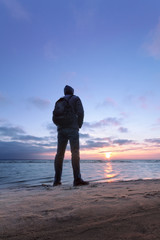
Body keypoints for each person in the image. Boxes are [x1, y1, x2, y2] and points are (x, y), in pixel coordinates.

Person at [53, 85, 89, 187]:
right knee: (75, 153)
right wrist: (79, 125)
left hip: (61, 130)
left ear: (65, 92)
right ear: (72, 91)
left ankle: (56, 180)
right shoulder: (76, 98)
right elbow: (81, 112)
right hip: (72, 128)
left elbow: (55, 116)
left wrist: (60, 126)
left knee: (59, 154)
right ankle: (77, 179)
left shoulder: (59, 101)